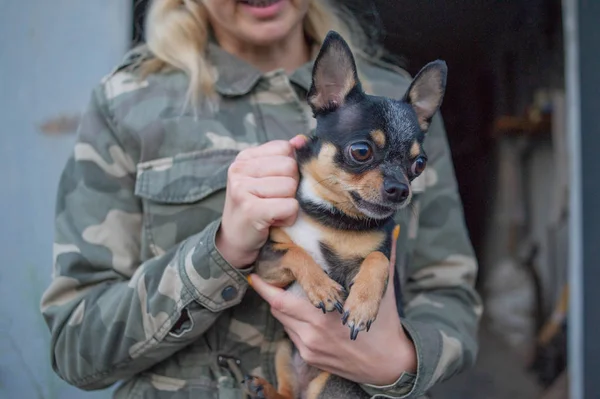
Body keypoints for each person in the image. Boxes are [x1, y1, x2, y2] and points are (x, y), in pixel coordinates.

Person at [40, 0, 482, 398]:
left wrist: (401, 361)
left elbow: (451, 291)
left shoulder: (396, 103)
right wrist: (221, 251)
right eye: (362, 153)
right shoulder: (129, 103)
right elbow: (75, 350)